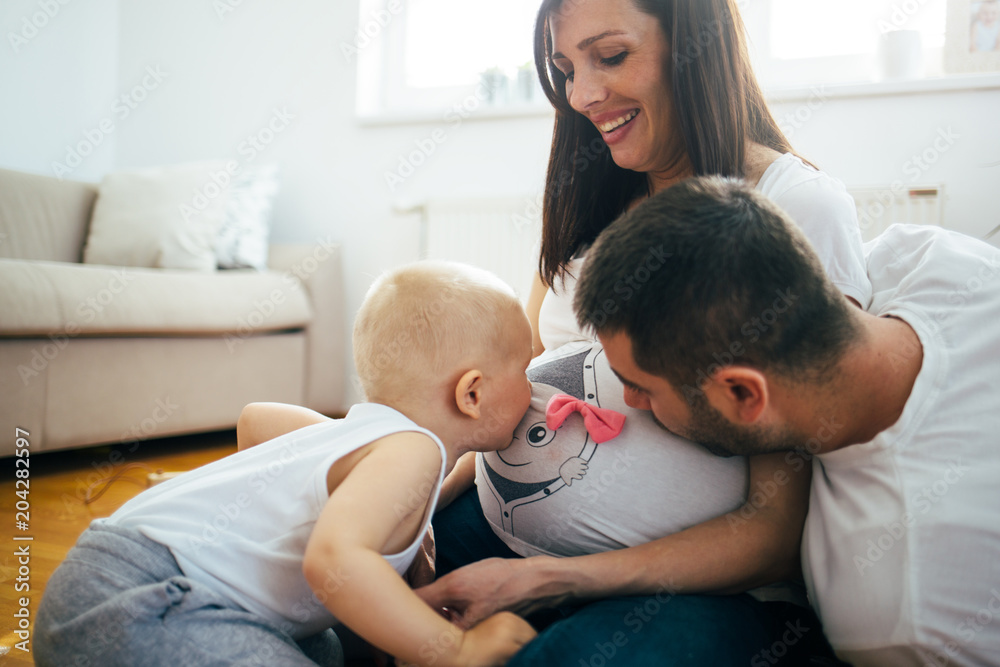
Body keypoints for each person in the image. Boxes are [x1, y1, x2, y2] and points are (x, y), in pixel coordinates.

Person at [421, 0, 869, 663]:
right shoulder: (591, 194)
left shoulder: (793, 207)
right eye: (564, 68)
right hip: (502, 531)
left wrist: (546, 579)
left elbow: (775, 528)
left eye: (611, 56)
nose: (582, 95)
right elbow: (517, 387)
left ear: (697, 42)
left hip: (701, 587)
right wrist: (420, 492)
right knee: (336, 568)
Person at [574, 175, 1000, 666]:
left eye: (643, 387)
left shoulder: (899, 612)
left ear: (742, 392)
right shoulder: (926, 257)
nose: (629, 402)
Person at [34, 261, 538, 667]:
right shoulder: (414, 450)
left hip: (108, 576)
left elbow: (256, 420)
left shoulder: (360, 436)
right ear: (472, 392)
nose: (534, 385)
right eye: (524, 368)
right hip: (143, 602)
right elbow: (334, 560)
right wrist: (454, 651)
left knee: (331, 646)